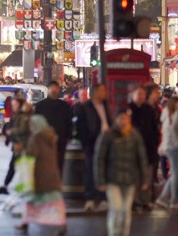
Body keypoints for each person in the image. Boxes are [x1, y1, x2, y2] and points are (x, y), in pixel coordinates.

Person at [95, 109, 148, 236]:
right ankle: (114, 232)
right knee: (117, 208)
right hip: (112, 179)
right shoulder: (108, 135)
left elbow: (141, 157)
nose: (124, 121)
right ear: (116, 119)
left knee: (126, 210)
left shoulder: (135, 135)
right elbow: (100, 158)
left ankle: (124, 233)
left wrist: (145, 179)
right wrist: (100, 180)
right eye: (121, 118)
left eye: (126, 119)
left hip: (129, 179)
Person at [15, 115, 67, 236]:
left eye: (32, 125)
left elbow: (31, 155)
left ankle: (25, 224)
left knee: (29, 201)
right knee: (55, 202)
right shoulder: (51, 137)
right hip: (52, 174)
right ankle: (62, 225)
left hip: (37, 175)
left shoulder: (36, 138)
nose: (31, 127)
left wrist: (20, 150)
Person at [75, 83, 112, 212]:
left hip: (106, 142)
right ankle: (90, 198)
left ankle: (103, 199)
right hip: (92, 142)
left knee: (104, 171)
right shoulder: (84, 107)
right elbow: (80, 127)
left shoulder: (105, 105)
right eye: (102, 91)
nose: (105, 93)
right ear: (95, 92)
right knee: (90, 170)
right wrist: (86, 142)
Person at [127, 86, 158, 212]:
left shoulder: (148, 109)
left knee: (147, 176)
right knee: (134, 175)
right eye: (139, 94)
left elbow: (154, 127)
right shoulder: (128, 109)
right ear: (133, 94)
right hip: (132, 148)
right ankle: (134, 200)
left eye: (143, 94)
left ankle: (145, 200)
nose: (141, 97)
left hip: (148, 146)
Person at [34, 81, 73, 174]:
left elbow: (69, 122)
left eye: (56, 89)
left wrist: (69, 136)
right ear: (48, 90)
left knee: (59, 163)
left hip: (60, 140)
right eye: (53, 89)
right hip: (44, 140)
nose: (55, 91)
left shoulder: (64, 106)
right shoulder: (39, 106)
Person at [155, 96, 178, 210]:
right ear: (174, 104)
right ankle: (173, 200)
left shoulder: (167, 115)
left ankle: (163, 198)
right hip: (173, 147)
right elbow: (173, 133)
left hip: (169, 146)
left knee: (175, 173)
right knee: (176, 174)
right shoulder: (174, 116)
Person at [0, 97, 27, 195]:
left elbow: (23, 129)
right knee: (14, 166)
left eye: (15, 105)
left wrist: (11, 132)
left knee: (18, 167)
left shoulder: (23, 116)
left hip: (23, 146)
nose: (13, 107)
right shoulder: (16, 116)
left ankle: (8, 186)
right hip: (17, 145)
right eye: (12, 105)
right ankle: (5, 186)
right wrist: (8, 138)